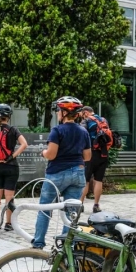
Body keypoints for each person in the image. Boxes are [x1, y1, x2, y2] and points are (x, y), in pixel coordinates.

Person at [32, 97, 91, 249]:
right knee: (71, 212)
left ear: (65, 112)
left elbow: (51, 154)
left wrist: (43, 152)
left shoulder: (57, 130)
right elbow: (88, 157)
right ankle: (66, 245)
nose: (58, 113)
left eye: (59, 110)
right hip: (78, 173)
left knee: (45, 208)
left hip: (57, 173)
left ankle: (38, 243)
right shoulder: (83, 132)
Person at [79, 105, 112, 213]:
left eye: (82, 115)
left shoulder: (86, 121)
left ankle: (80, 204)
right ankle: (96, 205)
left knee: (86, 180)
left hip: (90, 153)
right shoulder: (103, 120)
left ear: (86, 113)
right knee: (99, 180)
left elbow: (82, 135)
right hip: (103, 153)